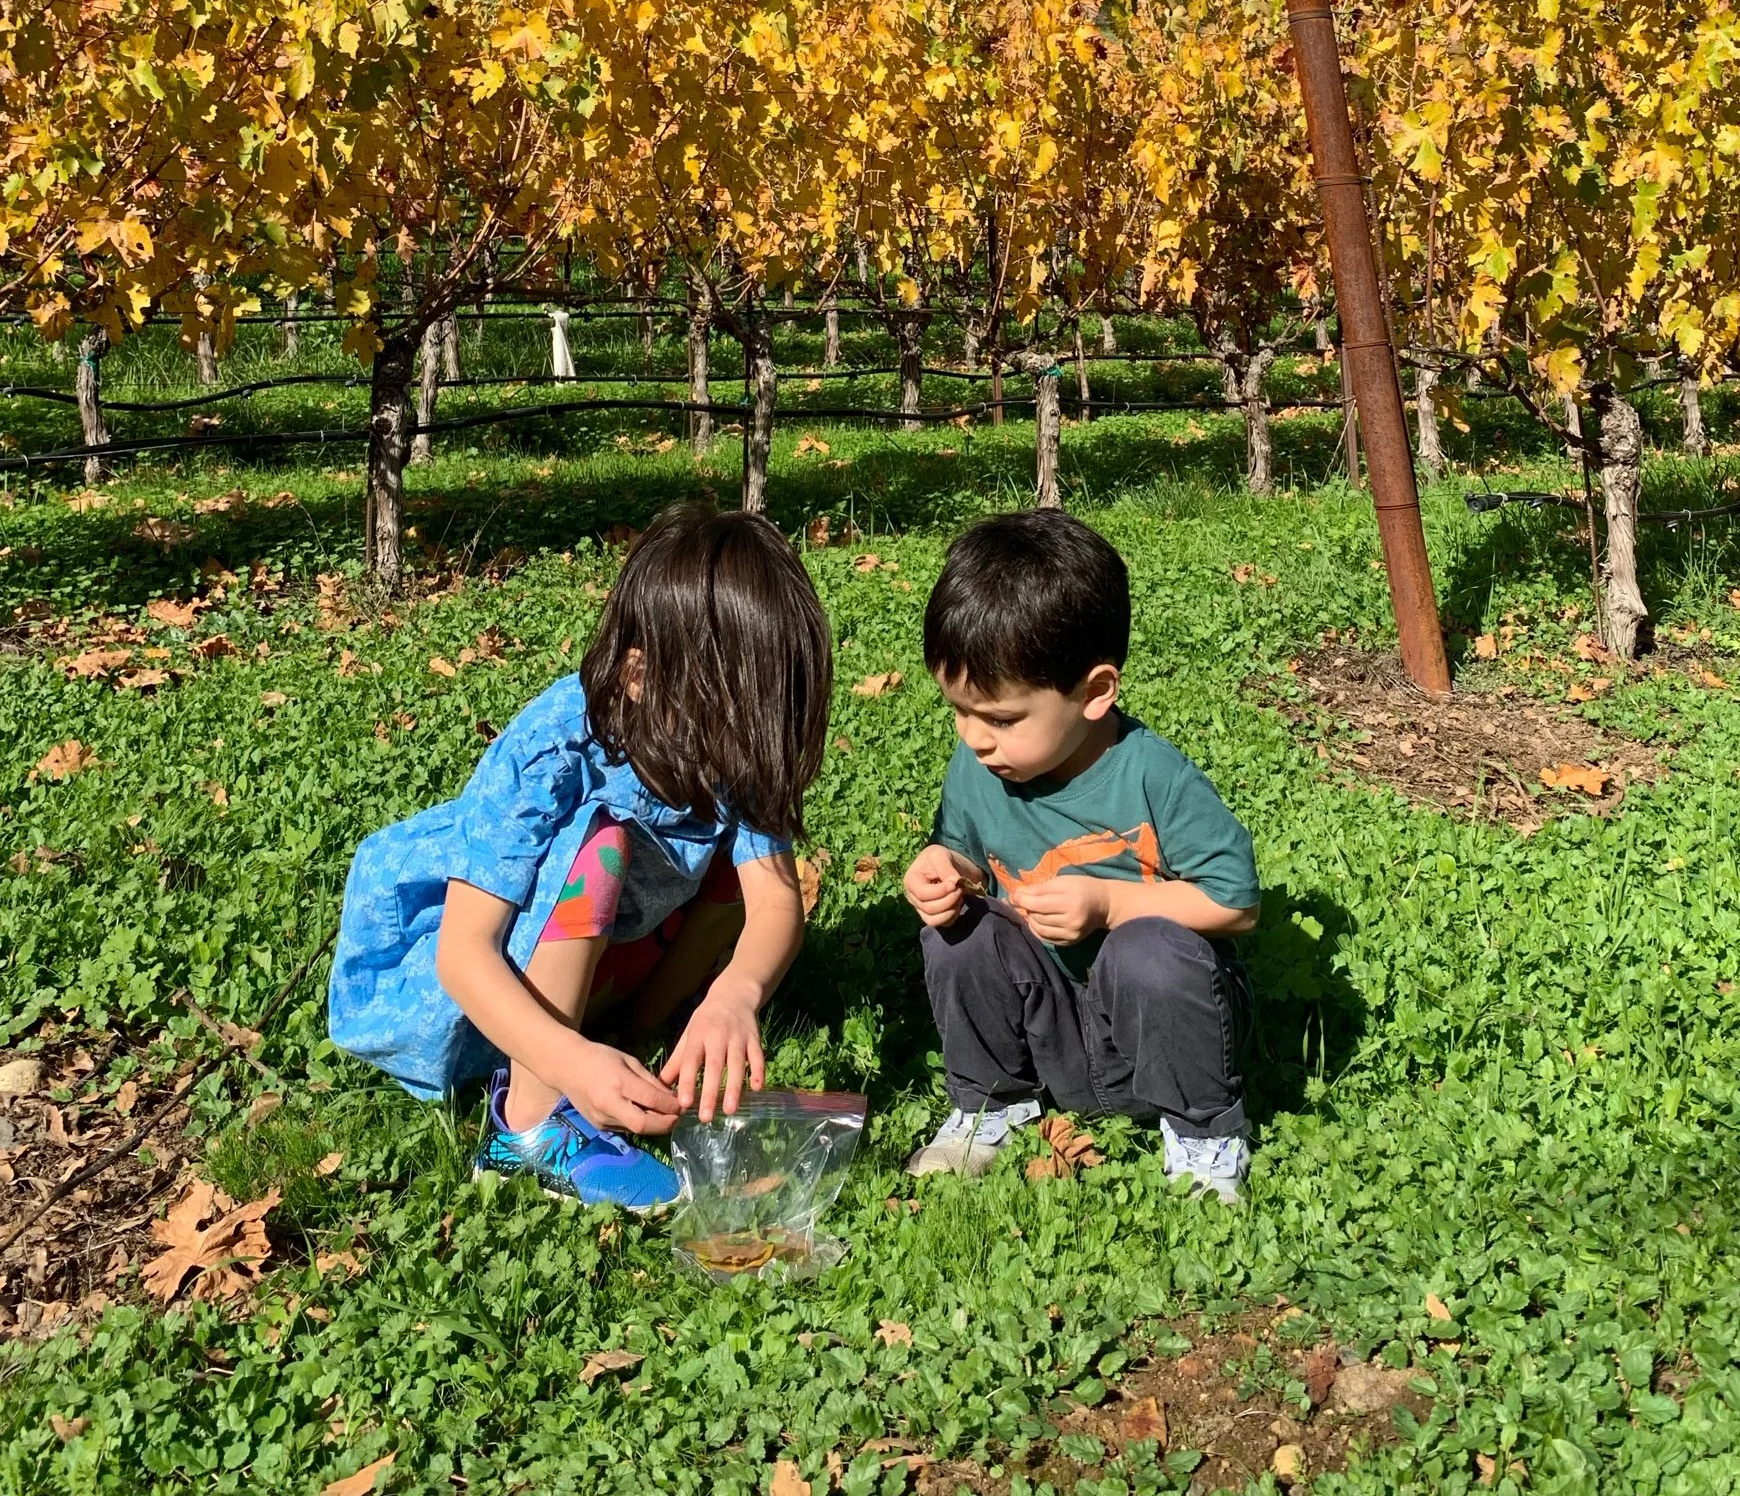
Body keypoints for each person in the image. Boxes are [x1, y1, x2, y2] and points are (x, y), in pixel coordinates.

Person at [329, 501, 832, 1213]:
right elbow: (463, 953)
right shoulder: (558, 746)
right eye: (733, 718)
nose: (747, 748)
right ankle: (526, 1128)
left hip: (599, 961)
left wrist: (735, 995)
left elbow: (776, 901)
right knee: (602, 841)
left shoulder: (729, 742)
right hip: (461, 993)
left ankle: (638, 1040)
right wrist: (568, 1062)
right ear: (637, 676)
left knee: (729, 867)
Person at [902, 510, 1259, 1200]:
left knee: (1147, 949)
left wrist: (1110, 904)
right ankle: (990, 1104)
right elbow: (965, 856)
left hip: (1159, 1027)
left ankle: (1203, 1134)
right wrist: (947, 872)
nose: (974, 737)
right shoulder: (978, 767)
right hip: (1053, 1024)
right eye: (958, 710)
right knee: (960, 934)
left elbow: (1235, 903)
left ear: (1094, 693)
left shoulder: (1152, 775)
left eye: (1001, 718)